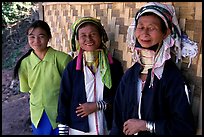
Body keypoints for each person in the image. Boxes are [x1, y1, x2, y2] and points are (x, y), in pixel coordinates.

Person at [110, 2, 196, 135]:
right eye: (141, 27)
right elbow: (117, 122)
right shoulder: (129, 76)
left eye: (152, 28)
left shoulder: (171, 77)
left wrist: (146, 125)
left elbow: (185, 127)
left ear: (166, 33)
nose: (144, 33)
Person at [56, 17, 124, 135]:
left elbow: (121, 97)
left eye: (93, 34)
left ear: (101, 36)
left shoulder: (114, 66)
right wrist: (63, 130)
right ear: (77, 39)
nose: (88, 39)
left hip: (107, 127)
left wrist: (98, 105)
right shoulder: (72, 68)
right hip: (79, 129)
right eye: (83, 35)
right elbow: (64, 99)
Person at [13, 20, 72, 135]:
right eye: (32, 37)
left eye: (41, 36)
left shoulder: (62, 59)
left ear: (49, 37)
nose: (36, 41)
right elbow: (26, 89)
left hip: (61, 113)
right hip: (38, 115)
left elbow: (72, 88)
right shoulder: (24, 64)